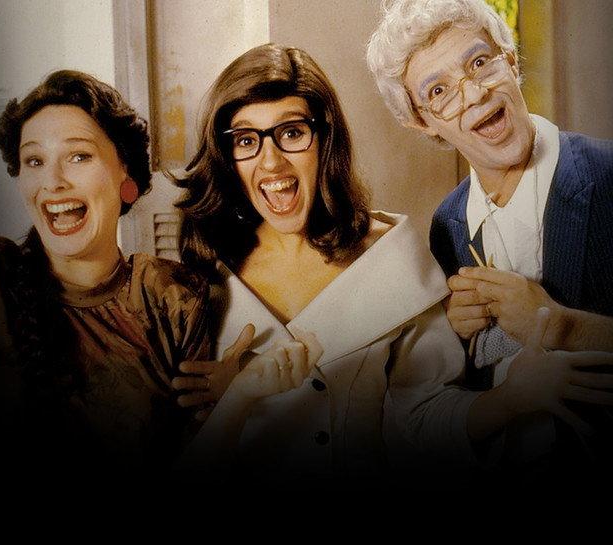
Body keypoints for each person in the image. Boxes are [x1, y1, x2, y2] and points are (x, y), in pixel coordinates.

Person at [171, 44, 609, 485]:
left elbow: (428, 422)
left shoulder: (394, 253)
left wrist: (513, 396)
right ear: (226, 154)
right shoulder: (199, 276)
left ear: (325, 139)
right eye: (246, 140)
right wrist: (234, 400)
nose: (271, 161)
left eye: (292, 132)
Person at [0, 69, 313, 477]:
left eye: (78, 156)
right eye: (34, 161)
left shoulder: (172, 298)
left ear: (124, 172)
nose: (52, 182)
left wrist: (237, 399)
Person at [366, 0, 613, 474]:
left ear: (511, 60)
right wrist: (454, 337)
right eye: (439, 91)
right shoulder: (448, 226)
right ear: (422, 121)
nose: (474, 94)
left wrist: (560, 327)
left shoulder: (606, 176)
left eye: (480, 62)